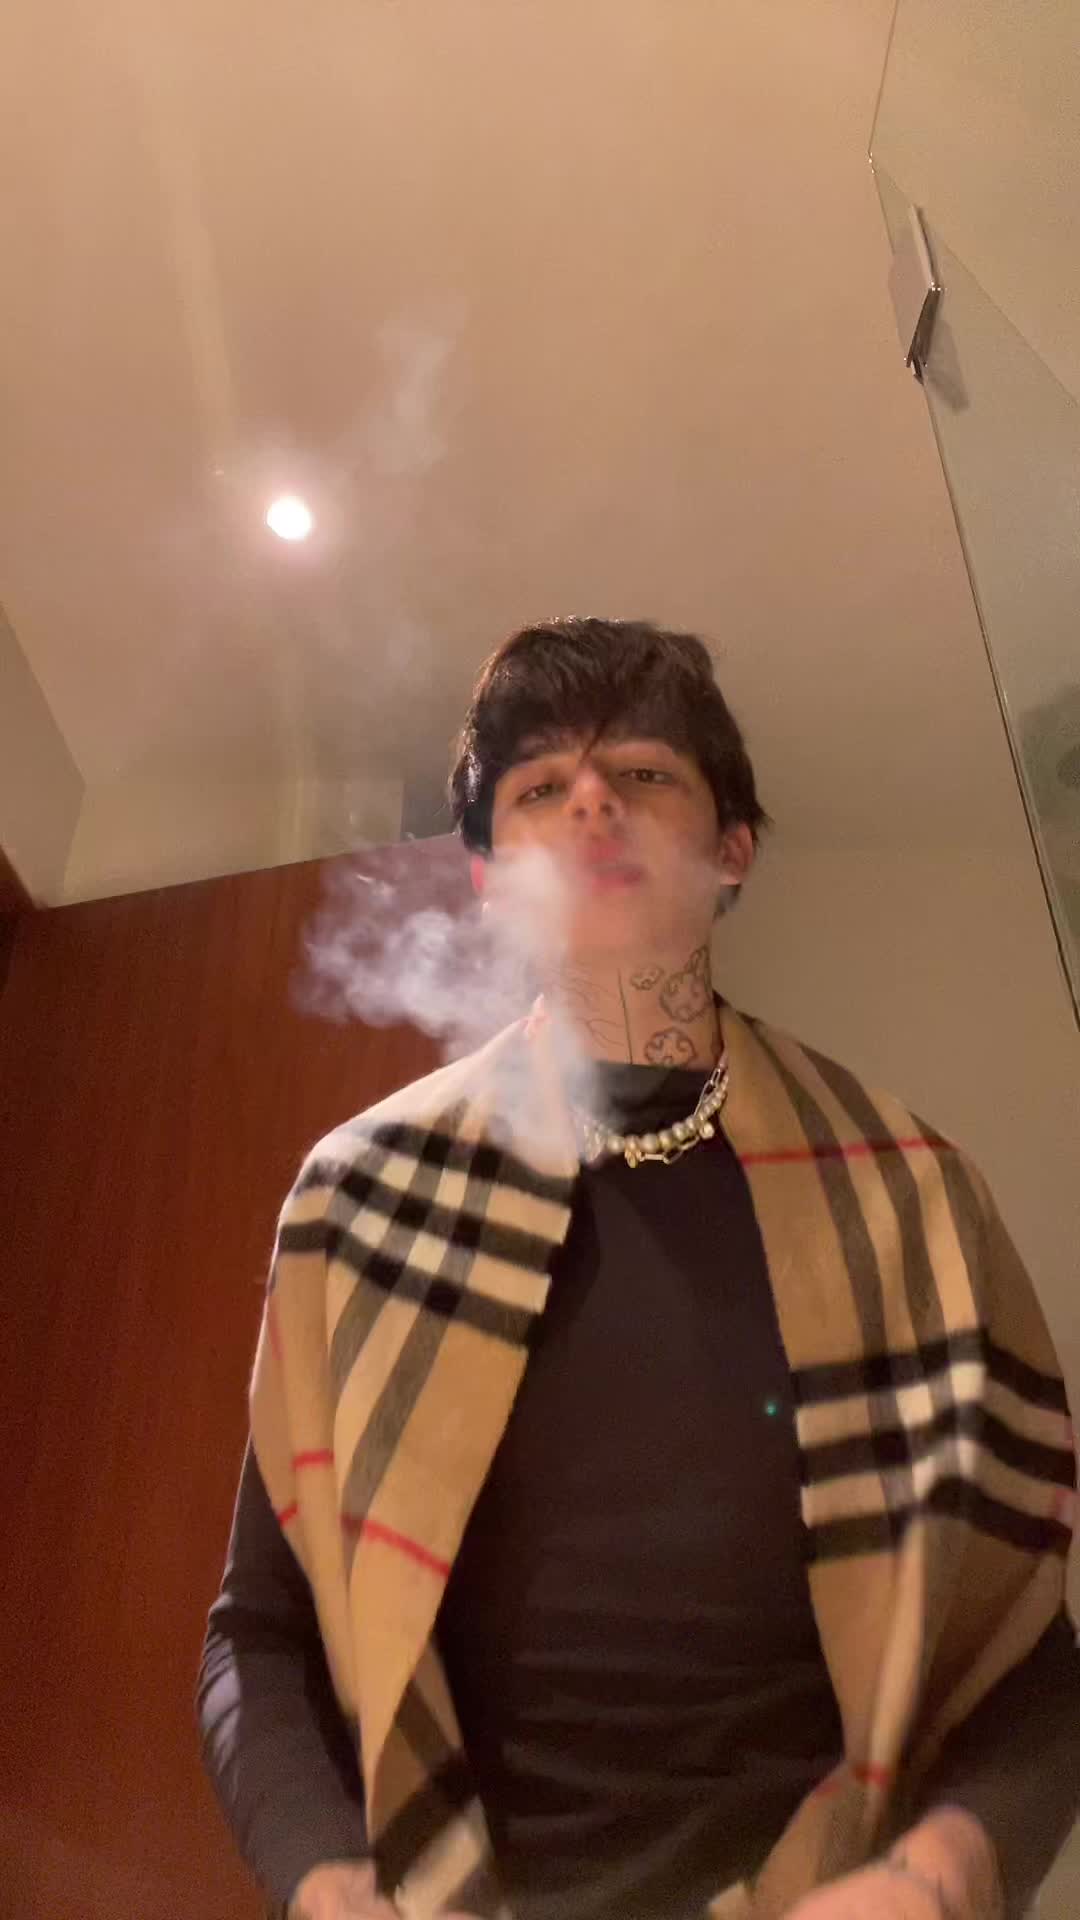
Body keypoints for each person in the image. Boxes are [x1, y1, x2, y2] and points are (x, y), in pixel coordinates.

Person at [198, 619, 1080, 1920]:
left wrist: (935, 1878)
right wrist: (326, 1885)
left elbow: (1029, 1655)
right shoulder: (360, 1197)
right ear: (488, 877)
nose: (591, 800)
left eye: (645, 772)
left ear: (733, 851)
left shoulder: (917, 1200)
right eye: (538, 787)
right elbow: (257, 1637)